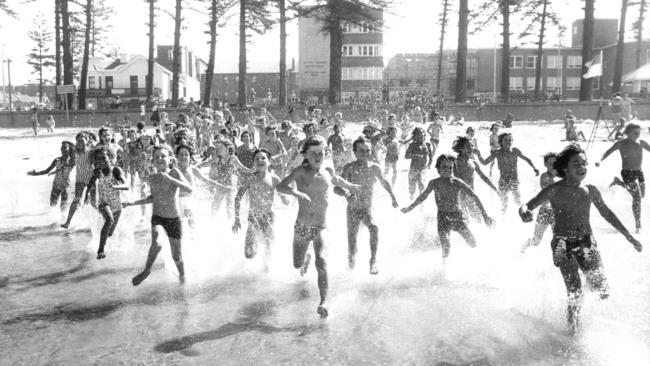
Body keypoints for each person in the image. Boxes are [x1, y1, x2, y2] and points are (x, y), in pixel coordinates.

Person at [519, 143, 642, 334]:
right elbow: (527, 205)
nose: (582, 166)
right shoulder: (554, 189)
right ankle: (573, 331)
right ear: (565, 168)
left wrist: (629, 237)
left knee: (602, 290)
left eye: (584, 162)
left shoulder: (590, 190)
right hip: (562, 243)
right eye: (576, 163)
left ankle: (591, 319)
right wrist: (524, 212)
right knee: (574, 289)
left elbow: (607, 214)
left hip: (587, 242)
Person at [276, 135, 361, 318]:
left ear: (325, 153)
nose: (317, 156)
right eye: (313, 153)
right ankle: (305, 257)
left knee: (321, 261)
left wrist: (350, 186)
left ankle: (324, 301)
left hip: (320, 226)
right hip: (302, 226)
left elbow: (337, 180)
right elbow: (280, 187)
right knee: (297, 263)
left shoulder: (328, 171)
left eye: (321, 153)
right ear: (305, 154)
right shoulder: (300, 171)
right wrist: (296, 192)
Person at [401, 154, 495, 259]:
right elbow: (422, 197)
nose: (448, 170)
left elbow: (475, 196)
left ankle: (476, 262)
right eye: (444, 167)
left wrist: (485, 215)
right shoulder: (434, 183)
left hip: (457, 216)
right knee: (446, 247)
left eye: (450, 167)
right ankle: (444, 271)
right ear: (438, 169)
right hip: (442, 216)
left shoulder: (457, 182)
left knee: (472, 243)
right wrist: (410, 207)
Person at [125, 146, 194, 286]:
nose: (160, 159)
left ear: (170, 159)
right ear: (153, 162)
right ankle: (147, 270)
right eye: (156, 157)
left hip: (174, 219)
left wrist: (169, 178)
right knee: (156, 243)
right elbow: (153, 197)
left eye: (163, 156)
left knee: (177, 256)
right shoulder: (152, 177)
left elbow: (189, 188)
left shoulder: (175, 172)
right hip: (157, 217)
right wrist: (132, 203)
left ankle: (182, 276)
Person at [335, 137, 398, 275]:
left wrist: (393, 197)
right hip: (352, 210)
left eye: (368, 151)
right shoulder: (349, 168)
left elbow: (384, 182)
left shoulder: (374, 168)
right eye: (361, 151)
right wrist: (346, 194)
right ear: (355, 152)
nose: (365, 154)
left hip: (366, 209)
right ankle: (350, 268)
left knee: (374, 228)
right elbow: (337, 188)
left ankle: (373, 260)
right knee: (352, 248)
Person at [595, 123, 650, 232]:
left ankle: (618, 182)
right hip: (627, 172)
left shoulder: (642, 143)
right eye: (634, 133)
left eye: (638, 133)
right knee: (637, 198)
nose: (637, 135)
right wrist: (599, 160)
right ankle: (638, 225)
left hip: (639, 172)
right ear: (628, 133)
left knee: (642, 195)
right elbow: (607, 152)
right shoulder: (621, 144)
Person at [232, 149, 281, 270]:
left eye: (263, 158)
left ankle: (267, 273)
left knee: (269, 246)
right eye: (257, 158)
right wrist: (237, 219)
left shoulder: (275, 179)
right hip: (253, 218)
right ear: (253, 163)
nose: (260, 160)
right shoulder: (250, 179)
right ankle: (258, 246)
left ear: (269, 161)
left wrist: (285, 199)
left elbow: (283, 193)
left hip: (268, 217)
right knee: (249, 254)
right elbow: (238, 198)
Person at [480, 132, 539, 214]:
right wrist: (478, 154)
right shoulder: (497, 152)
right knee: (504, 202)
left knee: (517, 200)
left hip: (514, 179)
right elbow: (485, 162)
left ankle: (524, 214)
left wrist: (534, 167)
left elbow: (527, 159)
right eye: (506, 140)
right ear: (501, 142)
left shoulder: (515, 151)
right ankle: (503, 218)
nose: (508, 142)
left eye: (510, 140)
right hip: (503, 180)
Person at [86, 147, 128, 259]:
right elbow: (90, 184)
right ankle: (100, 250)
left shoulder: (116, 170)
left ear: (110, 157)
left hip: (117, 206)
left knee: (109, 233)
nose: (101, 161)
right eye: (98, 159)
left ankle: (103, 241)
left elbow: (126, 185)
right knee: (109, 219)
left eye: (103, 157)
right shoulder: (97, 172)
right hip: (103, 203)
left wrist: (115, 186)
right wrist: (86, 195)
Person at [522, 153, 557, 252]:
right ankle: (524, 246)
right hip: (545, 212)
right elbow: (548, 191)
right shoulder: (545, 176)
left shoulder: (560, 177)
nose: (553, 165)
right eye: (550, 163)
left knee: (559, 238)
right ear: (545, 164)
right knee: (536, 241)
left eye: (555, 162)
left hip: (557, 212)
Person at [27, 141, 76, 213]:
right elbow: (47, 171)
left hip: (66, 185)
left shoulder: (72, 161)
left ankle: (62, 221)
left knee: (63, 206)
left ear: (69, 149)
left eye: (65, 148)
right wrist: (36, 174)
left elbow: (69, 163)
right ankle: (54, 220)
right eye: (61, 148)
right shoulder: (57, 160)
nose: (62, 149)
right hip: (56, 184)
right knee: (52, 204)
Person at [61, 132, 95, 229]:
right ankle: (68, 222)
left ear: (87, 141)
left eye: (82, 141)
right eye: (78, 141)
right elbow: (72, 164)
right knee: (76, 200)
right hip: (80, 179)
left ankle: (98, 222)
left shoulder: (91, 151)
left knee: (93, 201)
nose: (80, 143)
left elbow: (94, 164)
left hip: (91, 178)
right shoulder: (75, 152)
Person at [405, 127, 433, 199]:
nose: (420, 135)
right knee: (412, 187)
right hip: (414, 168)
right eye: (418, 134)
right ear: (415, 136)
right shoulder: (412, 145)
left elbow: (430, 155)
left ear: (424, 134)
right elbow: (406, 156)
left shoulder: (427, 145)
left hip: (423, 168)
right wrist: (414, 156)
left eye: (421, 133)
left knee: (422, 185)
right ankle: (411, 198)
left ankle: (421, 204)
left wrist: (430, 163)